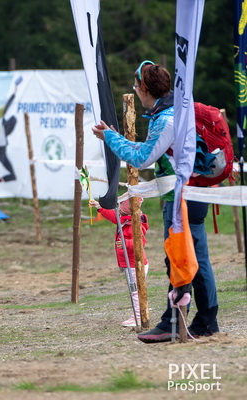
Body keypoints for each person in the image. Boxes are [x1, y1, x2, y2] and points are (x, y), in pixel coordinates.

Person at [91, 60, 219, 343]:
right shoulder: (175, 110)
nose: (135, 90)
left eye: (136, 85)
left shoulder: (164, 119)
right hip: (193, 192)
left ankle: (172, 323)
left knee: (178, 257)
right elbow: (149, 149)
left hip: (180, 197)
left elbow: (141, 158)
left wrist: (110, 138)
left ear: (144, 89)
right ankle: (206, 321)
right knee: (197, 259)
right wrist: (113, 136)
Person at [90, 198, 149, 327]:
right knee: (136, 290)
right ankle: (140, 314)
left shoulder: (135, 223)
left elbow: (140, 242)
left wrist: (125, 243)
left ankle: (139, 317)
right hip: (130, 263)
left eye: (120, 206)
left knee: (135, 291)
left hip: (135, 264)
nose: (118, 208)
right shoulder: (125, 219)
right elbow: (113, 216)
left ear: (127, 209)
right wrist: (99, 207)